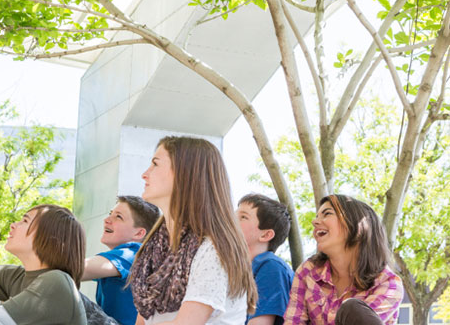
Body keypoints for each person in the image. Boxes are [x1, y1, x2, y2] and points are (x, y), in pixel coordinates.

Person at [131, 136, 257, 325]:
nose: (145, 174)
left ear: (184, 174)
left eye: (155, 164)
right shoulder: (153, 250)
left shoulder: (213, 250)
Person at [283, 195, 403, 325]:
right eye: (317, 216)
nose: (315, 222)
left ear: (358, 227)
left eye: (327, 214)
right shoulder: (308, 271)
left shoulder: (388, 283)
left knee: (352, 309)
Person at [82, 195, 159, 325]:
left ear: (139, 233)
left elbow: (77, 268)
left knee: (62, 286)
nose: (107, 220)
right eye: (110, 214)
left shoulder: (135, 253)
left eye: (118, 217)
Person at [236, 194, 294, 325]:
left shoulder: (271, 267)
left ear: (266, 234)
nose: (232, 220)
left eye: (243, 217)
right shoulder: (235, 270)